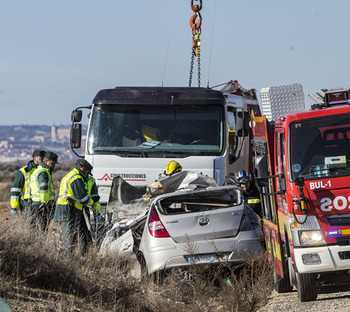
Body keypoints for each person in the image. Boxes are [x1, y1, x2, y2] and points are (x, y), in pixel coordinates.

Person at [54, 159, 97, 256]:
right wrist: (93, 202)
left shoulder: (71, 175)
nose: (87, 175)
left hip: (68, 209)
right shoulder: (76, 178)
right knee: (69, 239)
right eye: (87, 172)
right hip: (68, 210)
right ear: (82, 168)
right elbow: (83, 198)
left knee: (69, 238)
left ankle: (69, 259)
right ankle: (68, 262)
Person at [29, 151, 59, 231]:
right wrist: (45, 203)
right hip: (42, 205)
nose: (54, 166)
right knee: (42, 229)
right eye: (52, 163)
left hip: (37, 203)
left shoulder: (39, 170)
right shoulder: (43, 172)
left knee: (38, 228)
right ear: (46, 162)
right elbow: (44, 189)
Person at [10, 149, 46, 215]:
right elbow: (15, 189)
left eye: (44, 158)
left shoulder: (44, 171)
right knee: (29, 224)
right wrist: (14, 207)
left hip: (41, 203)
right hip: (27, 204)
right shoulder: (23, 171)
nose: (43, 160)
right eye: (41, 158)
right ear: (34, 158)